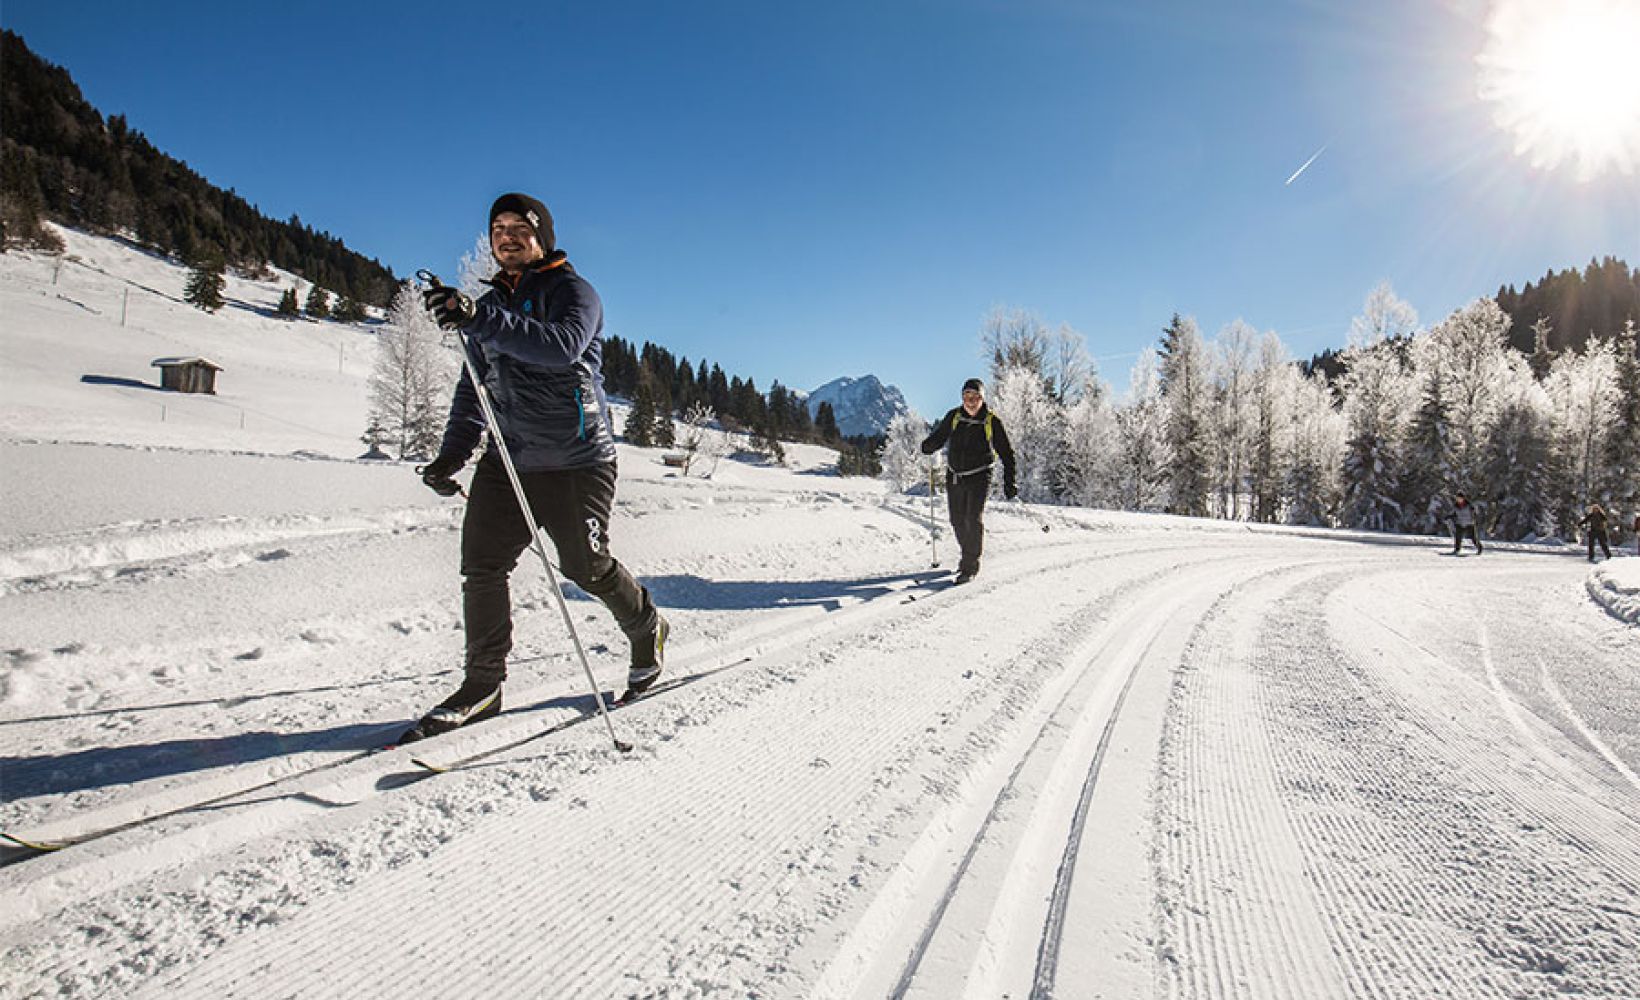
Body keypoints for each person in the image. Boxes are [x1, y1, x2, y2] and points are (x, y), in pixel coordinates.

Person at [404, 193, 668, 743]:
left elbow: (561, 347)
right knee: (482, 566)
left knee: (585, 567)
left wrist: (479, 318)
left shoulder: (574, 292)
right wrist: (452, 455)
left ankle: (647, 627)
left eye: (518, 228)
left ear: (541, 236)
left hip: (577, 458)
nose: (506, 237)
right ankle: (482, 686)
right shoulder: (487, 308)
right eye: (497, 229)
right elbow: (474, 390)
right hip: (509, 459)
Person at [920, 378, 1017, 585]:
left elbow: (1007, 454)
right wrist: (929, 445)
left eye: (975, 397)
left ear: (982, 398)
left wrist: (1010, 482)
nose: (971, 401)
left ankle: (969, 565)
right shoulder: (954, 416)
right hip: (955, 474)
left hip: (980, 475)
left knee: (972, 519)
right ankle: (967, 553)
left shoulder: (992, 421)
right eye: (967, 396)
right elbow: (940, 436)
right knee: (957, 520)